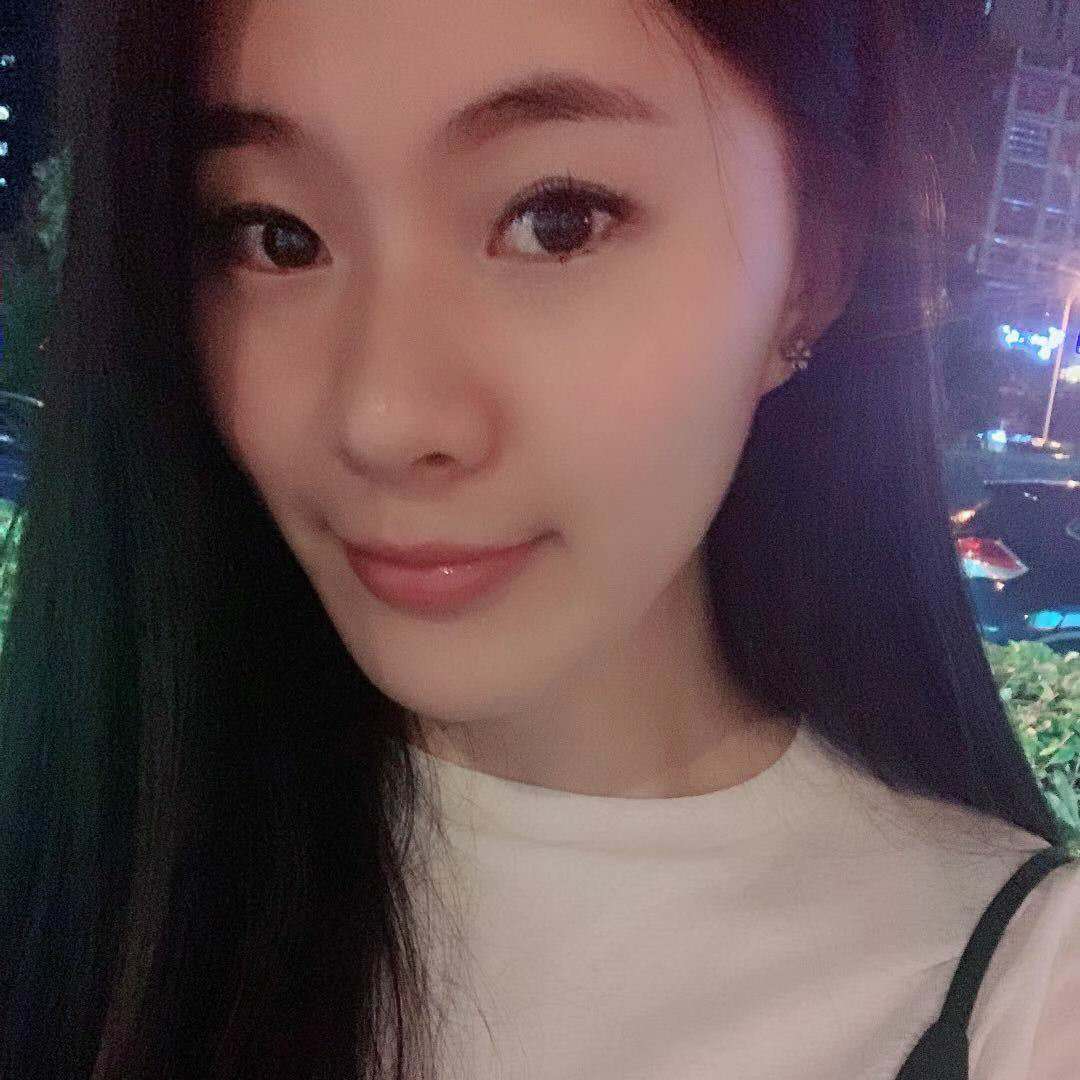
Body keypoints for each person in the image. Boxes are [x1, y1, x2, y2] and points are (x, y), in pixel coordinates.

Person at [0, 1, 1077, 1077]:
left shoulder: (1018, 1004)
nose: (383, 417)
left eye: (556, 221)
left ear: (812, 268)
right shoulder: (96, 859)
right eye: (276, 235)